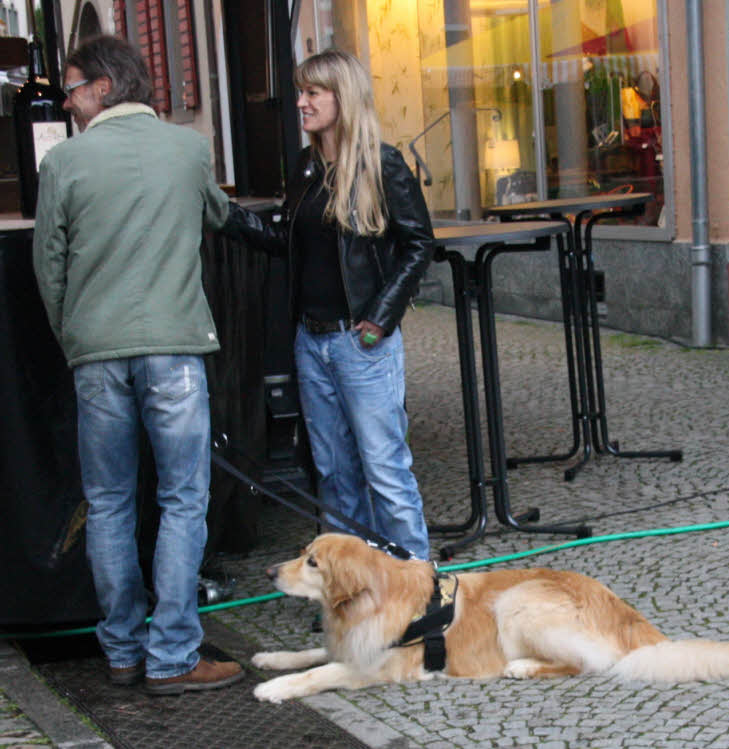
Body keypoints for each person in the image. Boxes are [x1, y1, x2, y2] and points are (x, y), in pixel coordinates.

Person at [32, 34, 243, 696]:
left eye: (70, 89)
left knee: (109, 501)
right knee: (184, 497)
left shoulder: (64, 162)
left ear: (102, 86)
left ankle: (122, 649)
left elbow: (49, 267)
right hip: (175, 344)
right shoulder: (187, 148)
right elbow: (215, 212)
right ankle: (174, 653)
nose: (65, 103)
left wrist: (74, 336)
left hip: (97, 348)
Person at [225, 48, 434, 560]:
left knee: (384, 470)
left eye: (312, 92)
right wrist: (227, 216)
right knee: (334, 476)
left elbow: (419, 243)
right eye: (301, 91)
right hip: (310, 341)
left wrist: (380, 320)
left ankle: (422, 592)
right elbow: (287, 244)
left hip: (360, 343)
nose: (300, 102)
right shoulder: (305, 167)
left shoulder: (382, 163)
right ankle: (355, 592)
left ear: (343, 96)